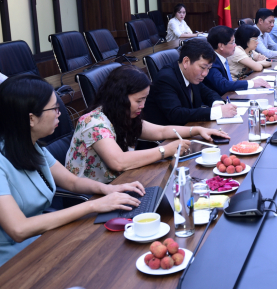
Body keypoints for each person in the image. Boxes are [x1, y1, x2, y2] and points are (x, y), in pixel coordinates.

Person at [0, 74, 144, 267]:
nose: (59, 113)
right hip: (12, 262)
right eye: (54, 109)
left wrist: (108, 190)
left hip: (42, 241)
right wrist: (94, 205)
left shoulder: (32, 146)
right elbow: (19, 229)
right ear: (31, 119)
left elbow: (72, 181)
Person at [66, 66, 228, 184]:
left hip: (122, 183)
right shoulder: (94, 122)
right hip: (93, 195)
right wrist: (165, 150)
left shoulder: (121, 114)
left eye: (144, 99)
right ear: (119, 97)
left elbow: (161, 131)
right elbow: (119, 161)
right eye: (138, 101)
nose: (143, 105)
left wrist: (197, 130)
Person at [143, 39, 238, 126]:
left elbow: (208, 92)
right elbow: (176, 114)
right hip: (168, 139)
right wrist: (217, 112)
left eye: (208, 68)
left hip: (189, 129)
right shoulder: (165, 79)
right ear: (186, 62)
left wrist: (218, 104)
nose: (205, 73)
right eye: (202, 67)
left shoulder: (191, 75)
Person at [204, 26, 269, 96]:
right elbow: (223, 85)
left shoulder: (222, 58)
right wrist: (252, 83)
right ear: (221, 46)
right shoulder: (212, 62)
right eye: (232, 42)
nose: (235, 45)